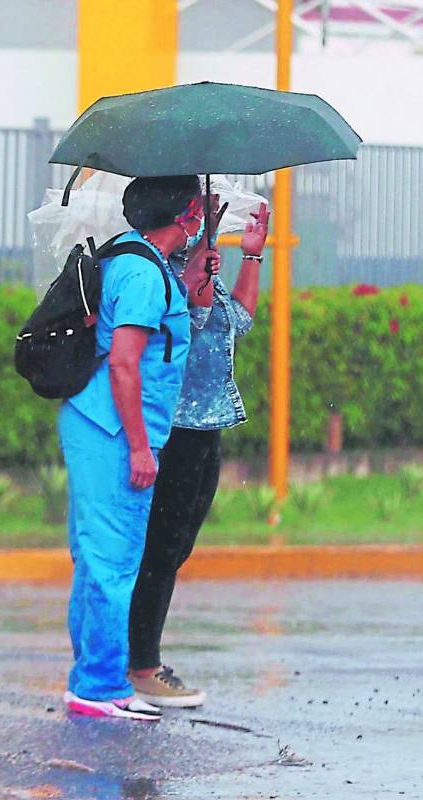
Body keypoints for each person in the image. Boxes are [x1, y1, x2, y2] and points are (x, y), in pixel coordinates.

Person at [59, 175, 217, 721]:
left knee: (96, 558)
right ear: (186, 215)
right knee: (111, 561)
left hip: (96, 423)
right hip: (112, 430)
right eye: (197, 211)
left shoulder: (134, 260)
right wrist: (140, 448)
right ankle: (98, 689)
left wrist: (193, 276)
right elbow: (125, 364)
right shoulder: (143, 273)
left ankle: (92, 681)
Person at [127, 201, 270, 708]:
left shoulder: (199, 260)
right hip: (178, 427)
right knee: (160, 549)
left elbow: (239, 320)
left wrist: (251, 257)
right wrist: (207, 244)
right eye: (196, 210)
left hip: (208, 423)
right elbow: (199, 311)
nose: (205, 215)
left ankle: (136, 658)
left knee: (176, 547)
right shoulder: (160, 269)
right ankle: (140, 664)